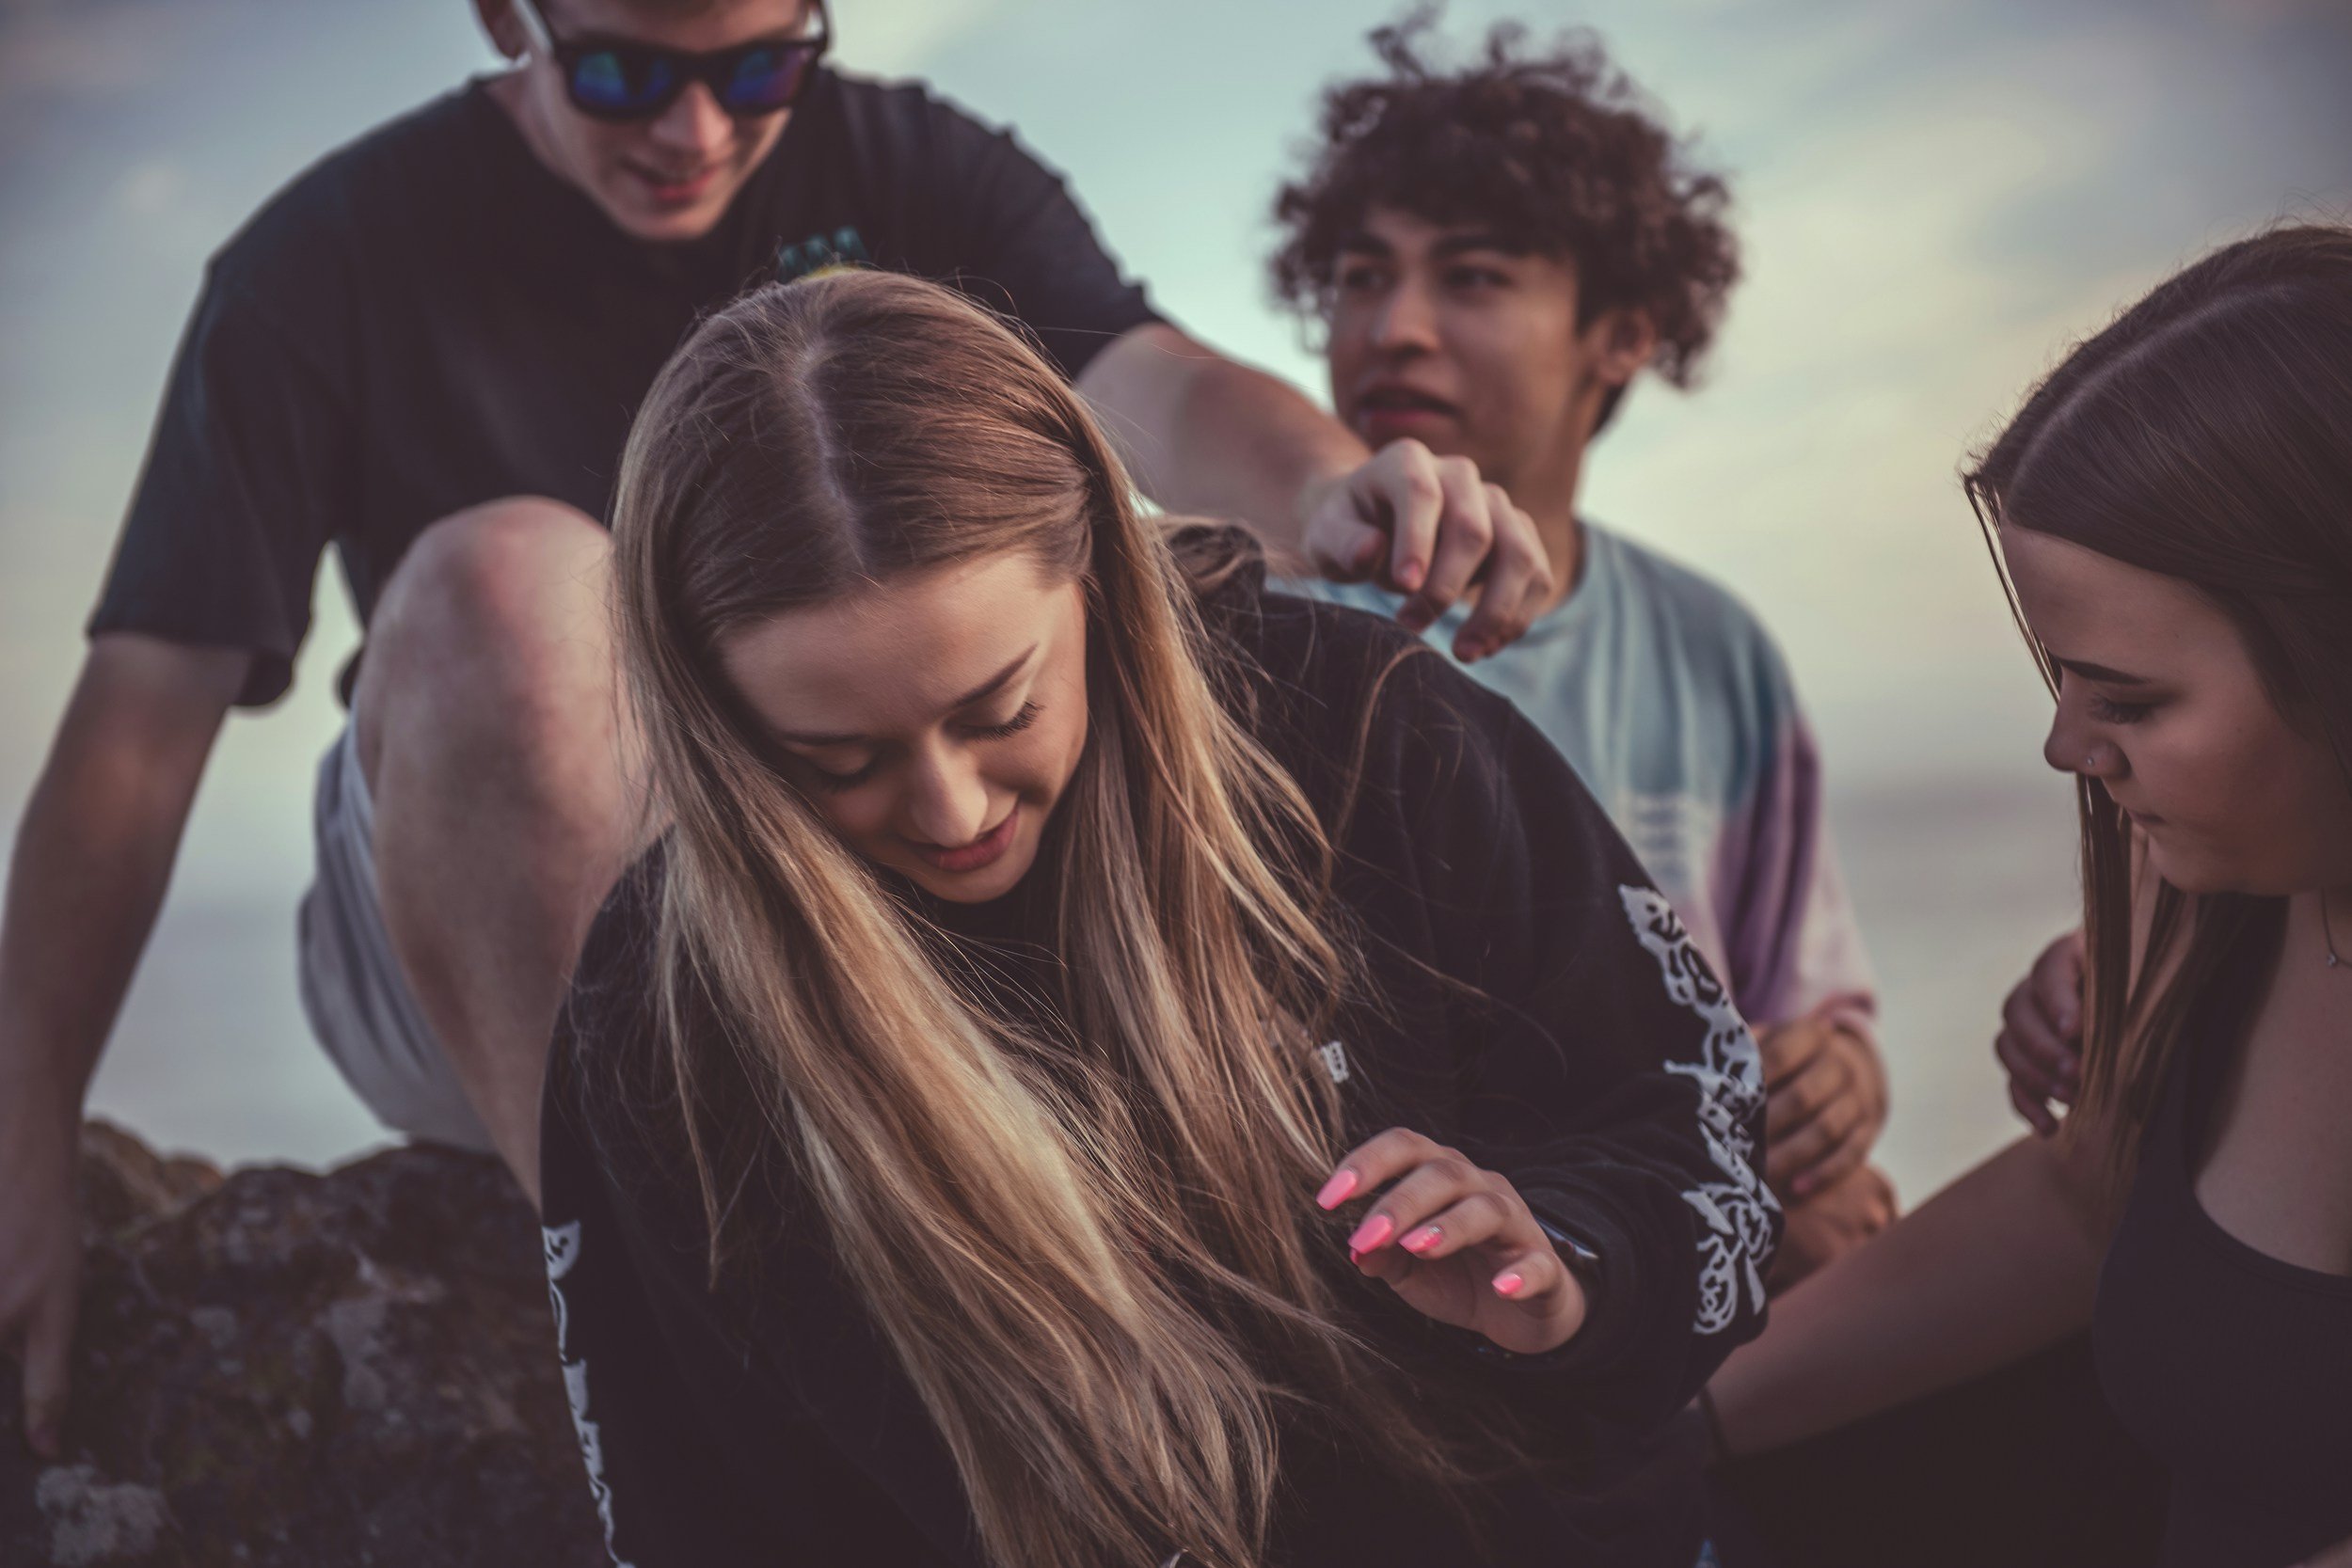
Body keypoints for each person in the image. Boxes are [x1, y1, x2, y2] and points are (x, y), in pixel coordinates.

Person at [0, 0, 1552, 1460]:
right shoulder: (319, 263)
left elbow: (1158, 387)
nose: (693, 128)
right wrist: (27, 1117)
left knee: (1124, 588)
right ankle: (690, 1330)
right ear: (504, 17)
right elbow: (142, 725)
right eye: (621, 73)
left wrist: (1336, 486)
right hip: (481, 907)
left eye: (758, 69)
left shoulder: (909, 165)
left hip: (865, 867)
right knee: (516, 591)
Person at [538, 267, 1777, 1568]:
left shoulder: (1360, 730)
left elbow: (1697, 1133)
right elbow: (702, 1515)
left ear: (1100, 577)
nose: (950, 808)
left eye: (999, 708)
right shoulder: (659, 1017)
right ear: (713, 718)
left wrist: (1566, 1273)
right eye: (836, 759)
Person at [1707, 225, 2352, 1568]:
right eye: (2060, 677)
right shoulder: (2195, 895)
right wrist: (1645, 1436)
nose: (2066, 748)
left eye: (2132, 699)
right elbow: (2083, 1198)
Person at [1265, 18, 1891, 1285]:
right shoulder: (1263, 638)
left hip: (1665, 1285)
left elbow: (1803, 998)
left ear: (1623, 332)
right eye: (1361, 275)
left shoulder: (1712, 648)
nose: (1395, 328)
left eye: (1475, 277)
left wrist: (1837, 1077)